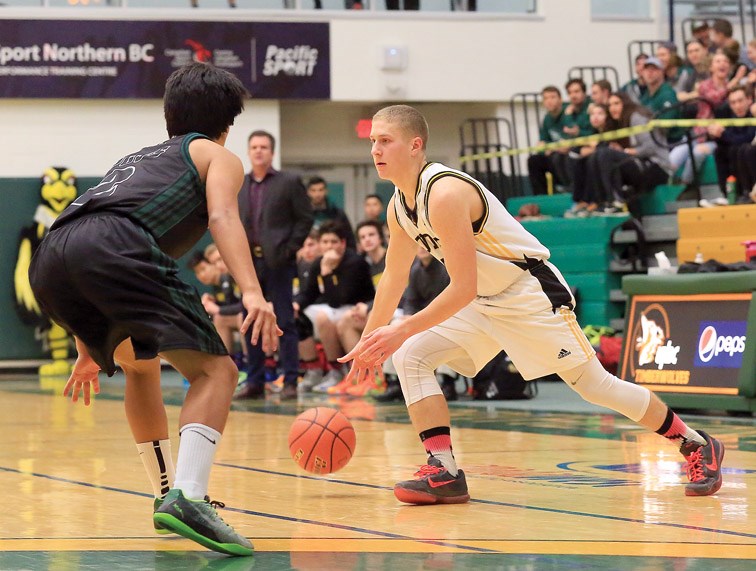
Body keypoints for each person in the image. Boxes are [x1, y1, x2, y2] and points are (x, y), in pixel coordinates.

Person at [339, 104, 724, 505]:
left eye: (385, 141)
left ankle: (696, 444)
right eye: (373, 142)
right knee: (411, 357)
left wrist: (399, 330)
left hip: (527, 292)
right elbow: (394, 278)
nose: (376, 150)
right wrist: (369, 345)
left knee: (595, 387)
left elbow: (462, 287)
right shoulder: (399, 206)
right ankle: (444, 469)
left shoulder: (445, 192)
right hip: (483, 302)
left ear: (415, 145)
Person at [28, 62, 280, 555]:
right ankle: (188, 495)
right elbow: (223, 217)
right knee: (217, 371)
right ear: (228, 125)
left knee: (139, 367)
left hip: (52, 255)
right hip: (113, 248)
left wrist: (88, 340)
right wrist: (251, 291)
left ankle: (167, 494)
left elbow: (85, 241)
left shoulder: (138, 158)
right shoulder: (216, 156)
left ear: (169, 116)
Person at [234, 129, 313, 401]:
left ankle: (290, 380)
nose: (258, 151)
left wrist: (289, 249)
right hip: (248, 264)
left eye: (264, 147)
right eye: (254, 146)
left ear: (272, 152)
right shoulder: (239, 184)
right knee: (250, 320)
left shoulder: (288, 182)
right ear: (248, 151)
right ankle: (255, 381)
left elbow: (305, 219)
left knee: (285, 320)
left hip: (279, 262)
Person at [294, 220, 375, 393]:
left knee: (327, 318)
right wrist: (295, 305)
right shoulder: (318, 262)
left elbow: (338, 299)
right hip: (338, 308)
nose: (329, 246)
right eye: (325, 242)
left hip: (357, 308)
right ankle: (322, 371)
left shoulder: (355, 262)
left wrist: (326, 271)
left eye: (333, 242)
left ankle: (355, 373)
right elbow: (309, 293)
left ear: (343, 243)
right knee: (297, 316)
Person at [527, 85, 570, 195]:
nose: (549, 101)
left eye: (552, 97)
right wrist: (547, 147)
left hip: (567, 155)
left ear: (560, 99)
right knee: (534, 160)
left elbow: (568, 143)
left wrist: (551, 147)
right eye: (546, 98)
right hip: (554, 154)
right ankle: (541, 197)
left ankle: (567, 189)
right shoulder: (547, 119)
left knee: (558, 157)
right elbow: (542, 144)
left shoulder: (568, 113)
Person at [307, 175, 356, 250]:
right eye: (313, 190)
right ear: (308, 192)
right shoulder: (302, 214)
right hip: (310, 255)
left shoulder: (337, 213)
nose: (317, 194)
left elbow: (349, 239)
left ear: (326, 191)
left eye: (320, 190)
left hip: (336, 253)